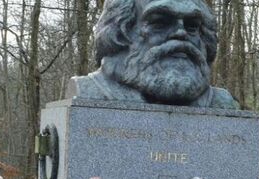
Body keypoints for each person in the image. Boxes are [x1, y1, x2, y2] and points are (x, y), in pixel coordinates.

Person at [69, 0, 238, 108]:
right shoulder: (91, 92)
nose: (181, 33)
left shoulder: (220, 103)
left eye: (192, 26)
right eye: (160, 22)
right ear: (120, 33)